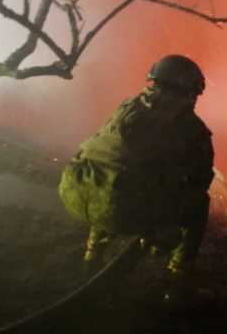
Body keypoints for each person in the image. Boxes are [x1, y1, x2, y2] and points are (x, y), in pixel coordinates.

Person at [58, 54, 216, 311]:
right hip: (120, 212)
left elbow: (111, 157)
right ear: (190, 91)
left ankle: (92, 259)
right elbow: (201, 180)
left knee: (112, 175)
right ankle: (179, 286)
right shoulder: (192, 127)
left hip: (73, 193)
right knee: (199, 203)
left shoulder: (127, 106)